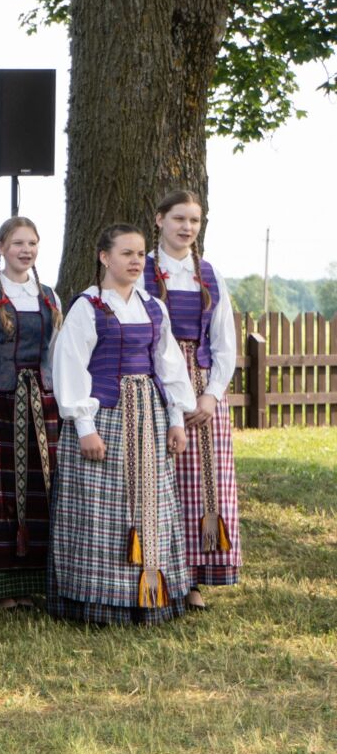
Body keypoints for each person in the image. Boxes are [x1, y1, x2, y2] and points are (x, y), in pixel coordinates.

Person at [49, 224, 196, 625]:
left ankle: (150, 594)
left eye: (140, 254)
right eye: (126, 253)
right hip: (106, 416)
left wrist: (177, 419)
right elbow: (70, 366)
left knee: (152, 504)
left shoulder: (153, 306)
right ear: (104, 257)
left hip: (149, 416)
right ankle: (100, 600)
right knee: (101, 508)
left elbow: (169, 366)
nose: (135, 261)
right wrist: (85, 427)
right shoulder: (88, 306)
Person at [146, 191, 241, 609]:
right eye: (179, 219)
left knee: (203, 485)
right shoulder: (141, 270)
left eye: (194, 221)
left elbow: (224, 342)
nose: (187, 227)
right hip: (154, 383)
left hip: (201, 384)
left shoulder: (209, 274)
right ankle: (160, 571)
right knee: (160, 480)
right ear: (159, 220)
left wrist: (211, 395)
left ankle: (196, 579)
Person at [0, 217, 61, 608]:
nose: (26, 250)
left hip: (41, 403)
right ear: (0, 247)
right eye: (18, 243)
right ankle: (2, 585)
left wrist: (54, 395)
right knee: (0, 488)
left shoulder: (49, 296)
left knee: (42, 485)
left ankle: (39, 578)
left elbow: (56, 353)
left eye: (32, 243)